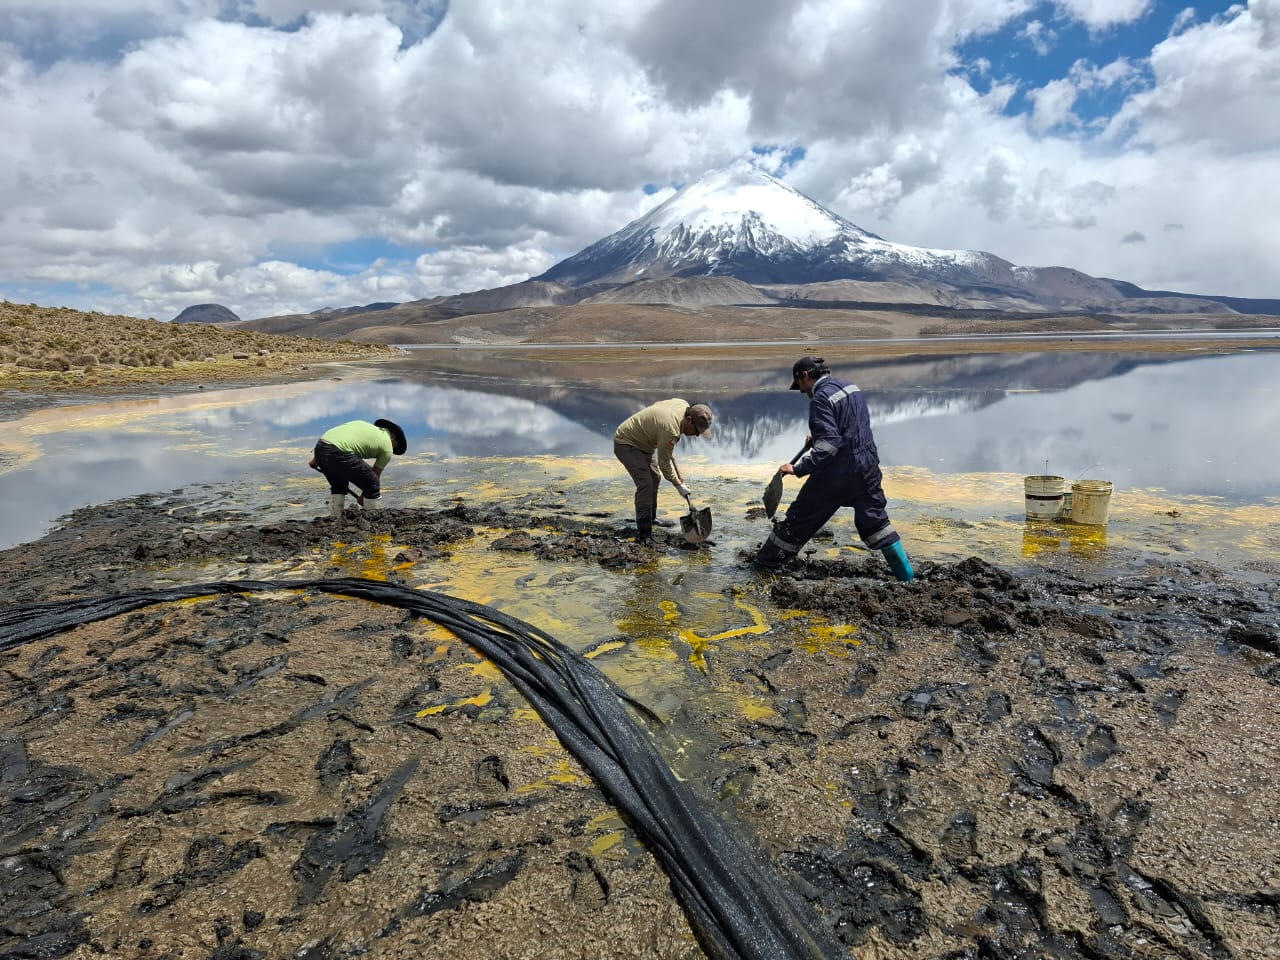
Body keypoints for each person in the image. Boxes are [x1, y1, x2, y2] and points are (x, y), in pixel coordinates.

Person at [754, 357, 913, 581]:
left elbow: (830, 445)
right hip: (867, 466)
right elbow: (850, 426)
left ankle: (765, 565)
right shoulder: (850, 387)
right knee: (876, 521)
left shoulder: (819, 399)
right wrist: (819, 436)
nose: (801, 392)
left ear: (805, 376)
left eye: (799, 385)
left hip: (836, 474)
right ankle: (907, 578)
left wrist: (797, 468)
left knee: (799, 519)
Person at [614, 400, 714, 543]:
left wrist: (663, 439)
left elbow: (659, 405)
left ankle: (651, 518)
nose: (697, 435)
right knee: (646, 484)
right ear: (689, 419)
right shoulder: (670, 430)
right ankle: (644, 533)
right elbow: (664, 464)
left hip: (645, 443)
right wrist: (678, 485)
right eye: (697, 430)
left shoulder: (682, 404)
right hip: (626, 442)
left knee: (655, 478)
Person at [309, 418, 407, 518]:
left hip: (321, 446)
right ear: (393, 437)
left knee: (338, 484)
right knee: (372, 483)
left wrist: (316, 458)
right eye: (395, 446)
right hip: (339, 451)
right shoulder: (387, 448)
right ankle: (372, 518)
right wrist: (365, 496)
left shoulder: (362, 424)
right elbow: (375, 475)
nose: (393, 449)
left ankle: (335, 516)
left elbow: (337, 437)